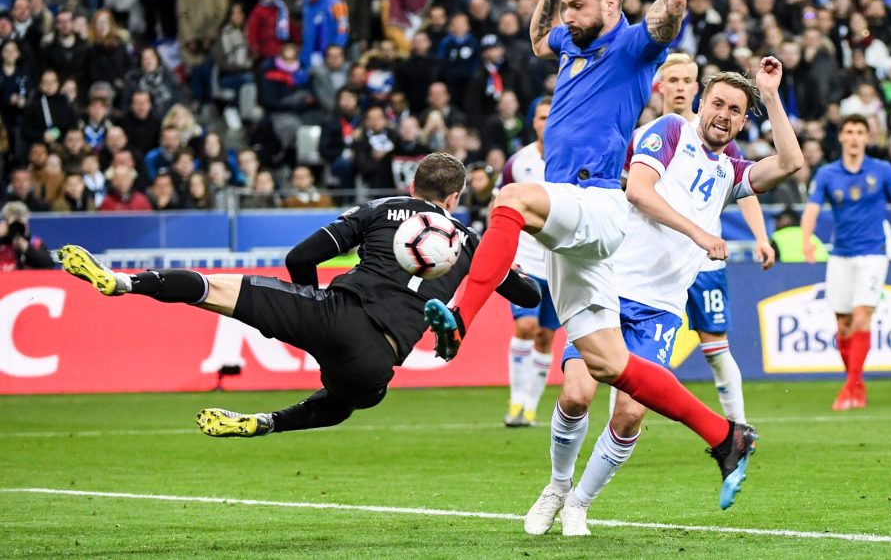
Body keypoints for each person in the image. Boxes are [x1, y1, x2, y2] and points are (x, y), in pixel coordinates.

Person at [423, 0, 756, 510]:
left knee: (512, 200)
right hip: (575, 238)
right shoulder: (572, 47)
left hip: (597, 204)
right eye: (565, 8)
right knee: (607, 369)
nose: (566, 19)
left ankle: (459, 316)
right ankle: (724, 435)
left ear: (609, 3)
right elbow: (534, 39)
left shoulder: (632, 47)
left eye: (577, 6)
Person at [59, 153, 541, 436]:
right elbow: (527, 294)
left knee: (214, 289)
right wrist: (501, 247)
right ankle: (267, 423)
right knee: (348, 402)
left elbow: (299, 258)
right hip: (380, 359)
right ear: (455, 198)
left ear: (411, 185)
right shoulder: (472, 243)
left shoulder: (381, 208)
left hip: (335, 314)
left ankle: (124, 281)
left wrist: (310, 316)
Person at [525, 58, 803, 536]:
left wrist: (771, 96)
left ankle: (580, 504)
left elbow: (791, 163)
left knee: (630, 413)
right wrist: (699, 233)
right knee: (575, 396)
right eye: (717, 102)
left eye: (735, 110)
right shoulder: (671, 130)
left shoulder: (729, 172)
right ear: (701, 102)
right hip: (607, 285)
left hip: (662, 307)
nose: (723, 114)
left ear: (741, 121)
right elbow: (638, 190)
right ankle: (555, 486)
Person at [656, 53, 776, 425]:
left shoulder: (717, 136)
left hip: (704, 261)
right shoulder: (652, 134)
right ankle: (622, 427)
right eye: (672, 79)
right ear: (660, 85)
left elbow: (746, 185)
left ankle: (739, 427)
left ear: (696, 90)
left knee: (715, 346)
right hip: (656, 261)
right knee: (631, 355)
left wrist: (760, 236)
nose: (679, 87)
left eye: (686, 80)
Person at [801, 113, 891, 411]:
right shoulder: (826, 174)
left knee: (862, 316)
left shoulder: (882, 170)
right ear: (842, 137)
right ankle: (856, 386)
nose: (855, 136)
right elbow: (811, 210)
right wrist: (806, 240)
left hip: (873, 253)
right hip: (840, 255)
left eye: (861, 131)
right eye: (850, 131)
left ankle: (851, 389)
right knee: (843, 325)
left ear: (867, 137)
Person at [499, 99, 560, 427]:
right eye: (541, 117)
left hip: (560, 263)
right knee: (525, 326)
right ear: (533, 122)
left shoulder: (572, 159)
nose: (546, 123)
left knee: (546, 337)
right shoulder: (518, 163)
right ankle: (516, 402)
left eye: (552, 117)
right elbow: (501, 203)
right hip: (525, 259)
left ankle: (531, 408)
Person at [0, 201, 55, 271]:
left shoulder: (33, 241)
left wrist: (27, 248)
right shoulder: (2, 241)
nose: (17, 227)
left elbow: (49, 264)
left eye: (20, 222)